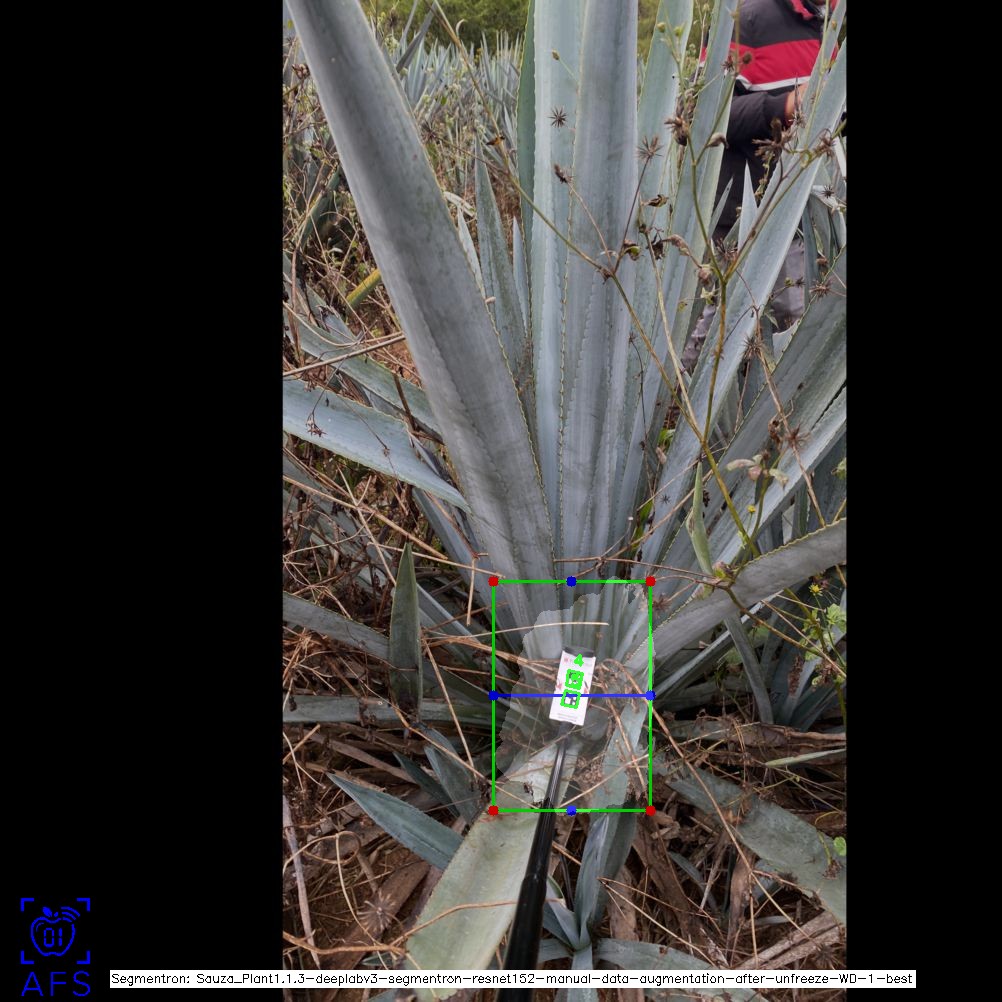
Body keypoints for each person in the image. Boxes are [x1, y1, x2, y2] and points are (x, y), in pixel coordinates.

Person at [681, 0, 836, 370]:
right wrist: (782, 107)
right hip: (743, 215)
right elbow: (696, 116)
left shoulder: (829, 24)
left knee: (780, 333)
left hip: (806, 214)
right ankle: (676, 398)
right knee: (726, 329)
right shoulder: (747, 21)